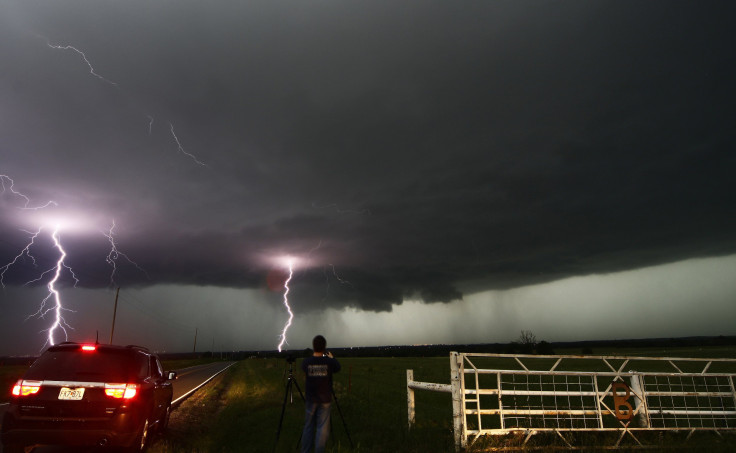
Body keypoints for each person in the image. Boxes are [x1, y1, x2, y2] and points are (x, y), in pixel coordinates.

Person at [301, 335, 341, 453]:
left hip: (311, 399)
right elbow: (338, 367)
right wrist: (332, 358)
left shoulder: (306, 362)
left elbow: (304, 369)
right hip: (325, 399)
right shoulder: (329, 362)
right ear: (324, 347)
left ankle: (306, 451)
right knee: (322, 428)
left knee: (308, 426)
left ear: (313, 347)